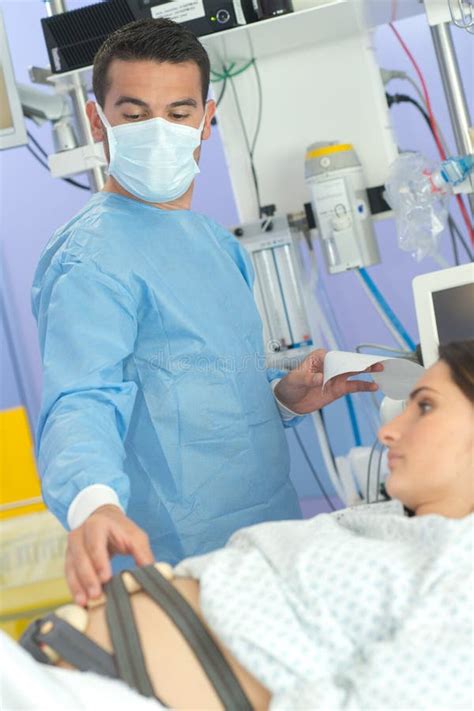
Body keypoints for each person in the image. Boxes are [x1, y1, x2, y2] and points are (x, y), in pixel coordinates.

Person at [32, 17, 379, 608]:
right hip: (182, 558)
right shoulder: (90, 258)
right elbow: (81, 397)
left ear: (206, 119)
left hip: (272, 535)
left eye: (179, 112)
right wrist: (93, 502)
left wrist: (282, 395)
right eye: (135, 115)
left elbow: (209, 377)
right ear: (98, 122)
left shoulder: (215, 244)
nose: (159, 131)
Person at [14, 340, 474, 710]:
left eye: (426, 407)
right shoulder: (386, 522)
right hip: (64, 663)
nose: (387, 431)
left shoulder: (463, 576)